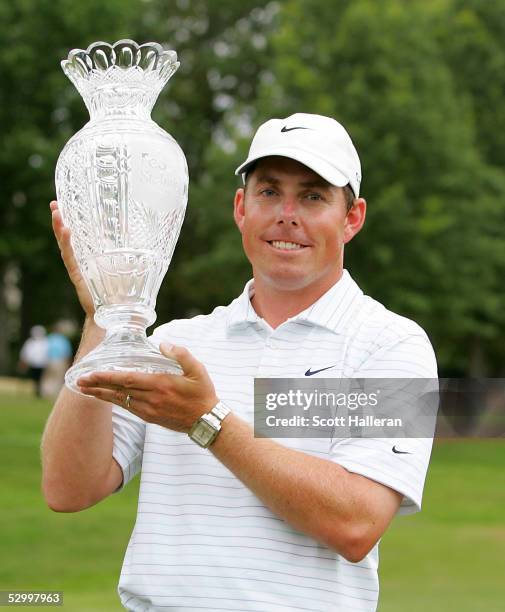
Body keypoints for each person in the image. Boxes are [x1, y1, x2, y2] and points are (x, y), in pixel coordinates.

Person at [41, 113, 437, 611]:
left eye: (313, 196)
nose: (287, 213)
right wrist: (106, 313)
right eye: (269, 192)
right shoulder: (176, 343)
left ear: (351, 217)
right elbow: (68, 487)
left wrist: (206, 421)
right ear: (240, 208)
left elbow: (355, 524)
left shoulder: (391, 344)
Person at [40, 323, 73, 398]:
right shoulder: (63, 340)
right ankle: (54, 393)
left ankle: (46, 392)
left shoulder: (49, 338)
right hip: (59, 361)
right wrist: (68, 363)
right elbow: (66, 353)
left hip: (48, 360)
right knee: (58, 377)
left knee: (48, 377)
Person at [19, 325, 48, 397]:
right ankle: (35, 391)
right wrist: (24, 361)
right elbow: (25, 352)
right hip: (32, 364)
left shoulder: (45, 342)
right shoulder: (30, 342)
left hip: (42, 364)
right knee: (34, 378)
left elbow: (47, 353)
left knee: (40, 378)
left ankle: (39, 392)